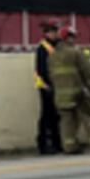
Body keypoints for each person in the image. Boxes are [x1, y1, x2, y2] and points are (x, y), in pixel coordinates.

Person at [33, 19, 61, 155]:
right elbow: (42, 69)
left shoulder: (57, 46)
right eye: (54, 31)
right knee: (47, 115)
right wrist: (49, 85)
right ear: (47, 33)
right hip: (46, 86)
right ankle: (43, 145)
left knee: (56, 116)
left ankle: (57, 143)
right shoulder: (43, 48)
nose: (56, 34)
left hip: (56, 85)